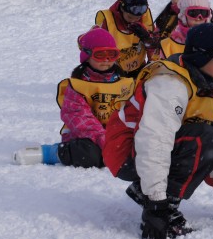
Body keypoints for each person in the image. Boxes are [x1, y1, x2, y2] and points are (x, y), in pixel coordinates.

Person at [103, 23, 213, 239]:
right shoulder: (169, 84)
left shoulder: (209, 88)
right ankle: (164, 203)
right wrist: (156, 206)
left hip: (150, 149)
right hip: (125, 152)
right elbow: (154, 141)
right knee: (201, 135)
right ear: (202, 56)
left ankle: (146, 190)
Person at [12, 28, 134, 167]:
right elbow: (80, 118)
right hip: (85, 137)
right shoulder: (77, 86)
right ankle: (52, 153)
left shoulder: (126, 84)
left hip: (115, 137)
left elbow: (133, 113)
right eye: (100, 54)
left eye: (112, 54)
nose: (106, 60)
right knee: (90, 156)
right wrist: (104, 139)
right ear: (87, 55)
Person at [156, 0, 213, 123]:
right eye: (193, 13)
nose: (199, 17)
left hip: (206, 100)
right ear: (183, 15)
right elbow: (161, 75)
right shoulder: (168, 45)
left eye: (203, 13)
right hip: (177, 100)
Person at [95, 0, 157, 78]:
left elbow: (154, 46)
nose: (134, 21)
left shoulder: (144, 17)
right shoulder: (108, 21)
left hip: (140, 68)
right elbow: (91, 47)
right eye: (130, 17)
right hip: (116, 72)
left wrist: (147, 38)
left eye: (138, 18)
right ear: (122, 9)